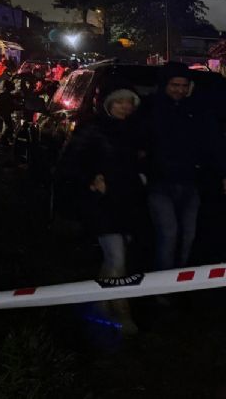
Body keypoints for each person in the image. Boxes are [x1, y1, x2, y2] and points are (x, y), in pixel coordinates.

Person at [58, 84, 145, 333]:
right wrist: (90, 179)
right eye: (120, 102)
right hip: (101, 204)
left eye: (129, 102)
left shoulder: (131, 131)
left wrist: (140, 177)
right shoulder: (93, 129)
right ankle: (122, 312)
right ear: (108, 104)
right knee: (117, 256)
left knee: (113, 258)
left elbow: (132, 164)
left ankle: (99, 305)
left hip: (125, 203)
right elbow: (70, 161)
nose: (125, 107)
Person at [140, 63, 226, 272]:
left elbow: (213, 144)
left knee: (188, 235)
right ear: (165, 84)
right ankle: (162, 286)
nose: (179, 90)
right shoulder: (150, 110)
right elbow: (137, 142)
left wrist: (225, 174)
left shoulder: (196, 111)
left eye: (184, 85)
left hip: (190, 183)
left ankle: (179, 280)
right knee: (169, 232)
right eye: (175, 85)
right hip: (160, 183)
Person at [0, 79, 18, 147]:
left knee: (7, 125)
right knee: (8, 126)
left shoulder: (4, 94)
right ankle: (3, 141)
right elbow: (10, 103)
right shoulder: (6, 95)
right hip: (4, 112)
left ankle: (5, 141)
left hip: (3, 112)